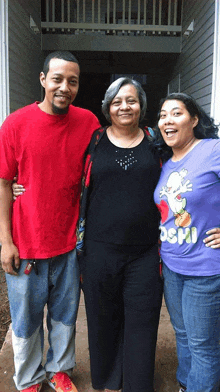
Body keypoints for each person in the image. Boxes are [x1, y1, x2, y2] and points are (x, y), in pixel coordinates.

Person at [0, 51, 100, 392]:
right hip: (26, 242)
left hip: (69, 242)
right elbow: (3, 182)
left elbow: (103, 168)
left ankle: (59, 369)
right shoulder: (15, 123)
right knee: (26, 320)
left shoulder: (88, 123)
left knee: (65, 316)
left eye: (72, 81)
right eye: (57, 78)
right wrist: (6, 242)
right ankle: (28, 377)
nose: (64, 87)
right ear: (43, 79)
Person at [76, 77, 163, 392]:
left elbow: (181, 184)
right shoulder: (94, 141)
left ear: (141, 105)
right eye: (117, 101)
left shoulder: (157, 141)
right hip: (99, 250)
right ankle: (109, 380)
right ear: (107, 107)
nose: (124, 106)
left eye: (131, 100)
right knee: (102, 320)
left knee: (142, 321)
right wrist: (19, 185)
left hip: (146, 252)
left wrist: (197, 220)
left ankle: (138, 383)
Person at [153, 92, 220, 392]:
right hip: (172, 266)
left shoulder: (212, 150)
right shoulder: (167, 162)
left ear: (194, 120)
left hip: (205, 269)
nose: (167, 119)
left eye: (176, 113)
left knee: (202, 345)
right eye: (163, 114)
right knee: (182, 333)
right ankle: (186, 385)